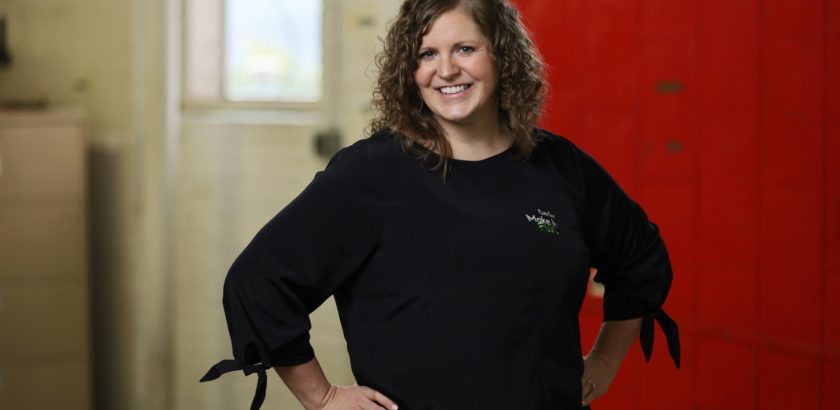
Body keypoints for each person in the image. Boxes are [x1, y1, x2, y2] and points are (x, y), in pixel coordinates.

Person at [201, 0, 680, 409]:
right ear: (410, 71)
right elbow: (258, 281)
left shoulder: (560, 167)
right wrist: (322, 397)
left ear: (503, 55)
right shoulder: (371, 173)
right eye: (427, 54)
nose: (445, 70)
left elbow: (639, 258)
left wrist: (603, 362)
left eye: (465, 49)